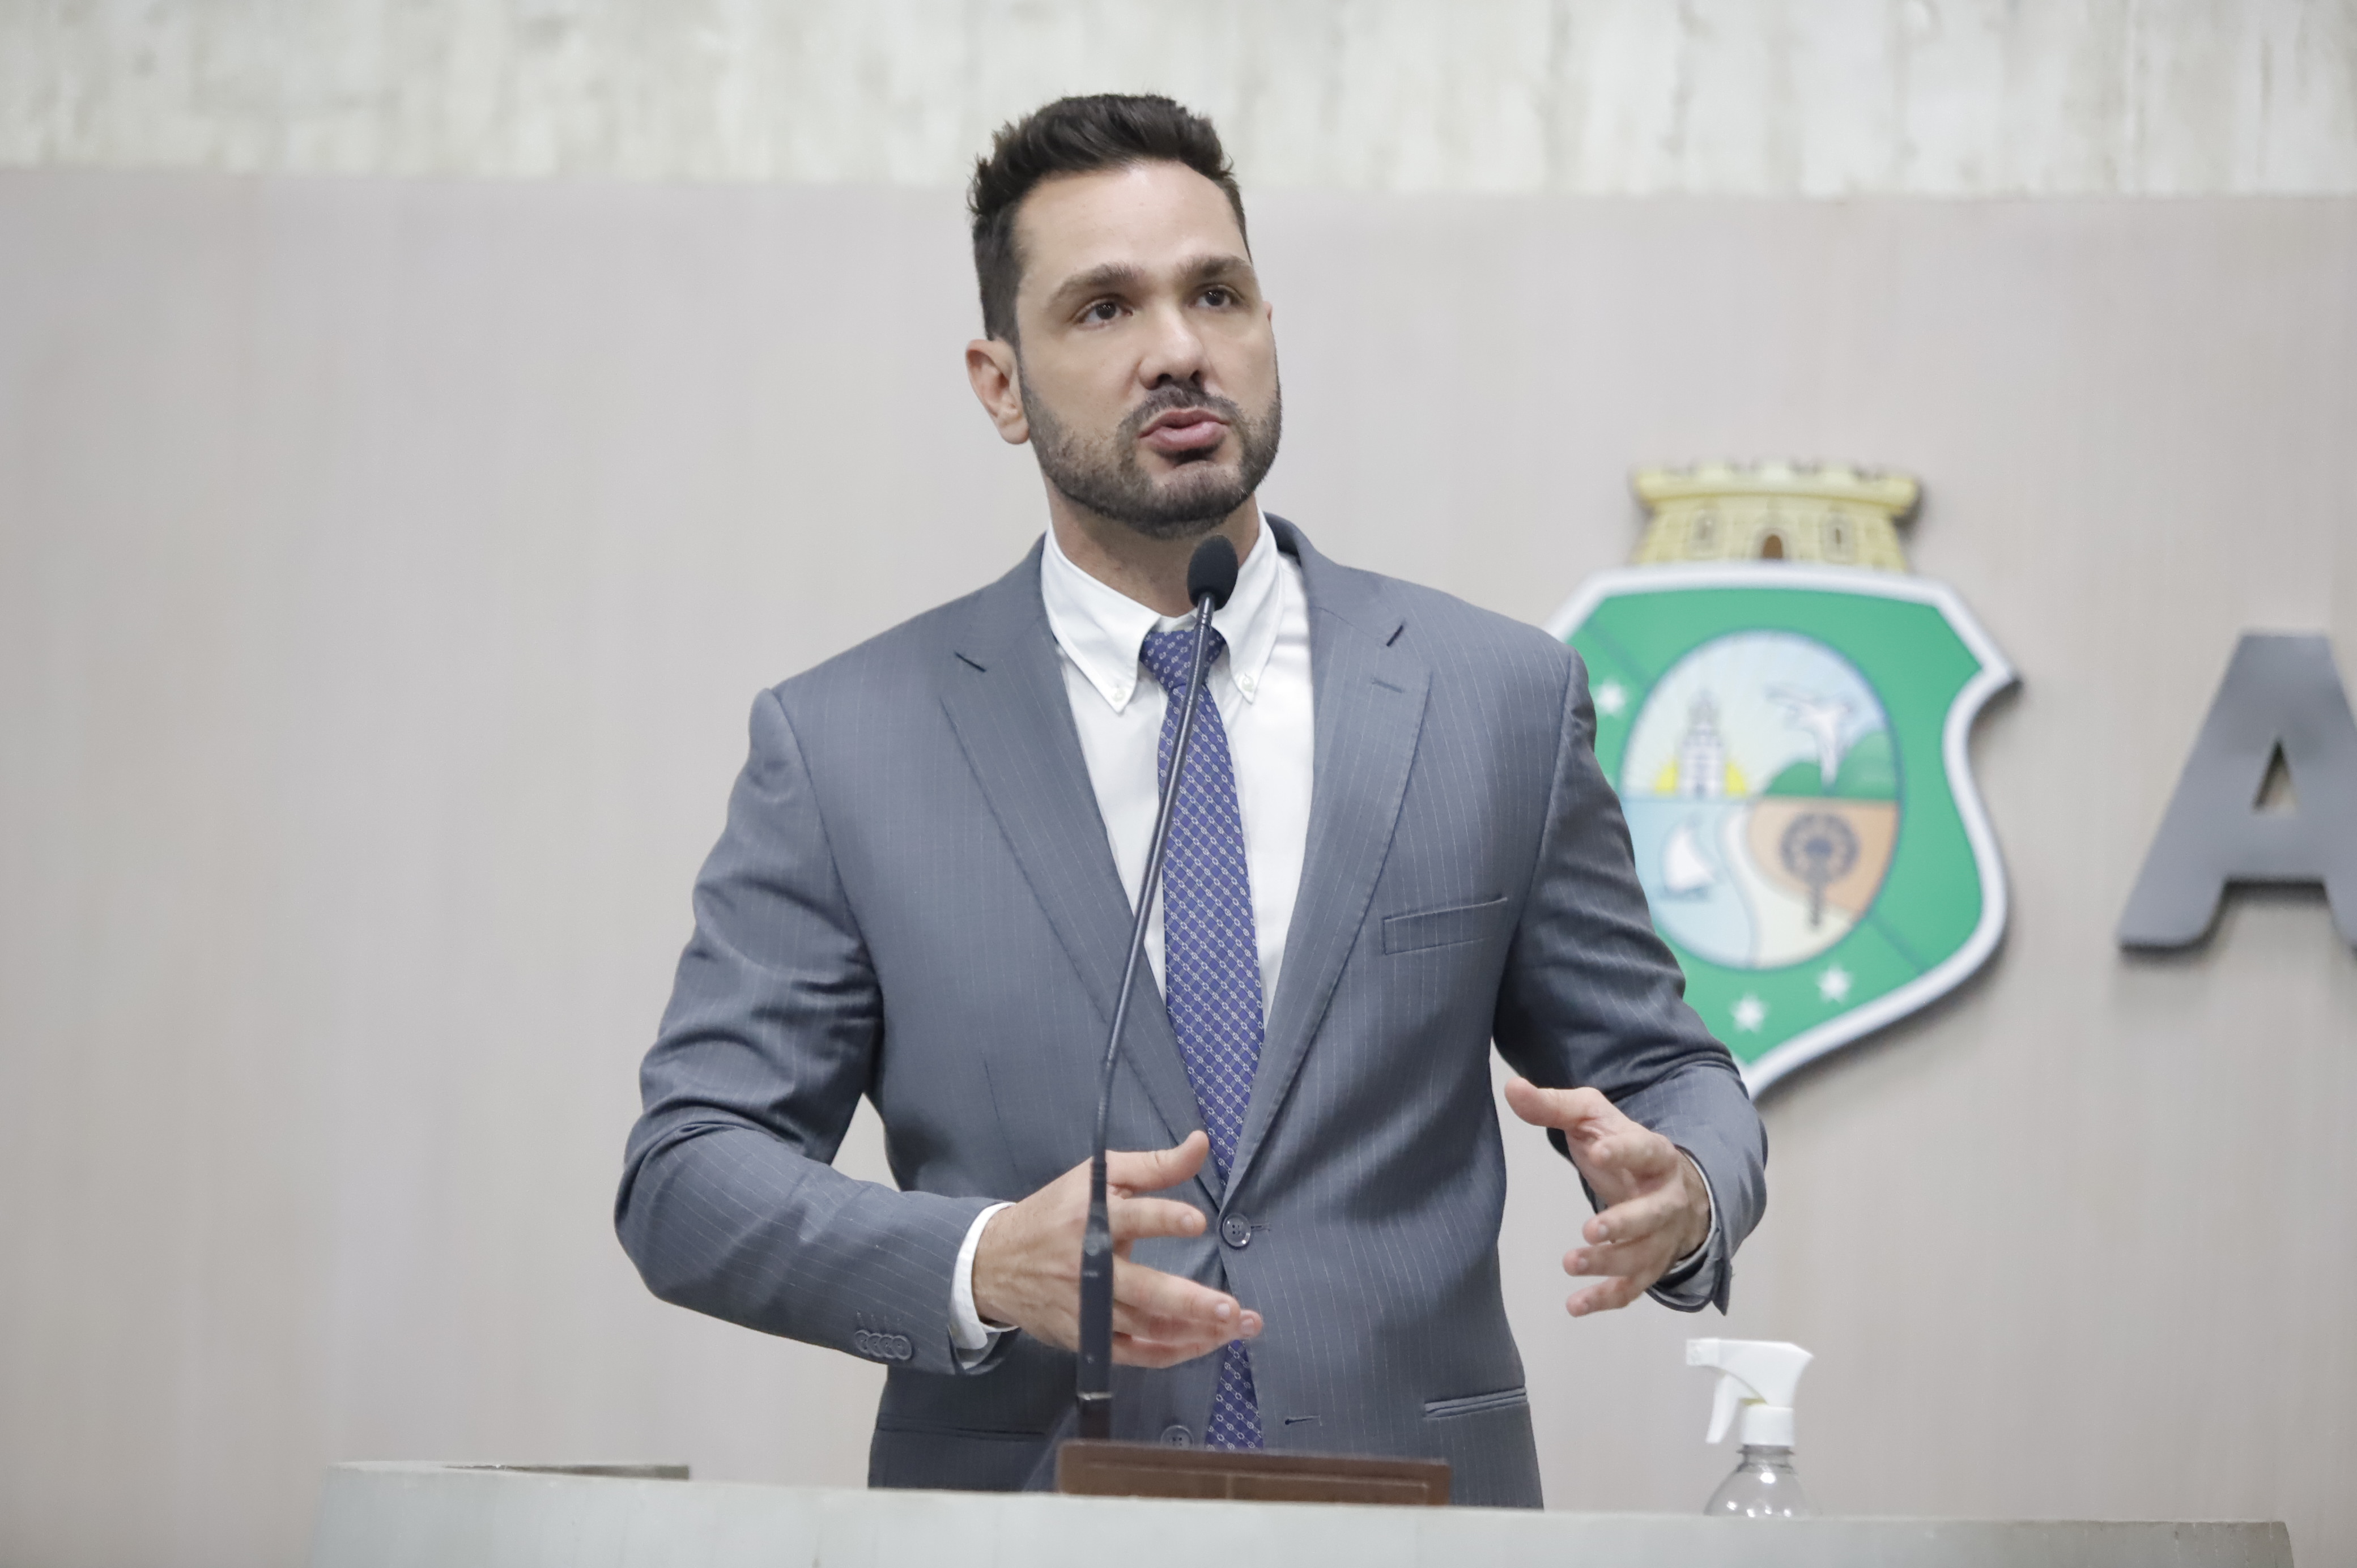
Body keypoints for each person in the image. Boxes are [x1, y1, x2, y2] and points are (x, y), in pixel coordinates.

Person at [616, 93, 1765, 1507]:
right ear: (999, 384)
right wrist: (979, 1264)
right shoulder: (846, 745)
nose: (1177, 349)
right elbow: (687, 1173)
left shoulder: (1495, 701)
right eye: (1104, 308)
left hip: (1418, 1521)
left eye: (1214, 293)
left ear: (1267, 324)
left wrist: (1686, 1183)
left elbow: (1666, 1069)